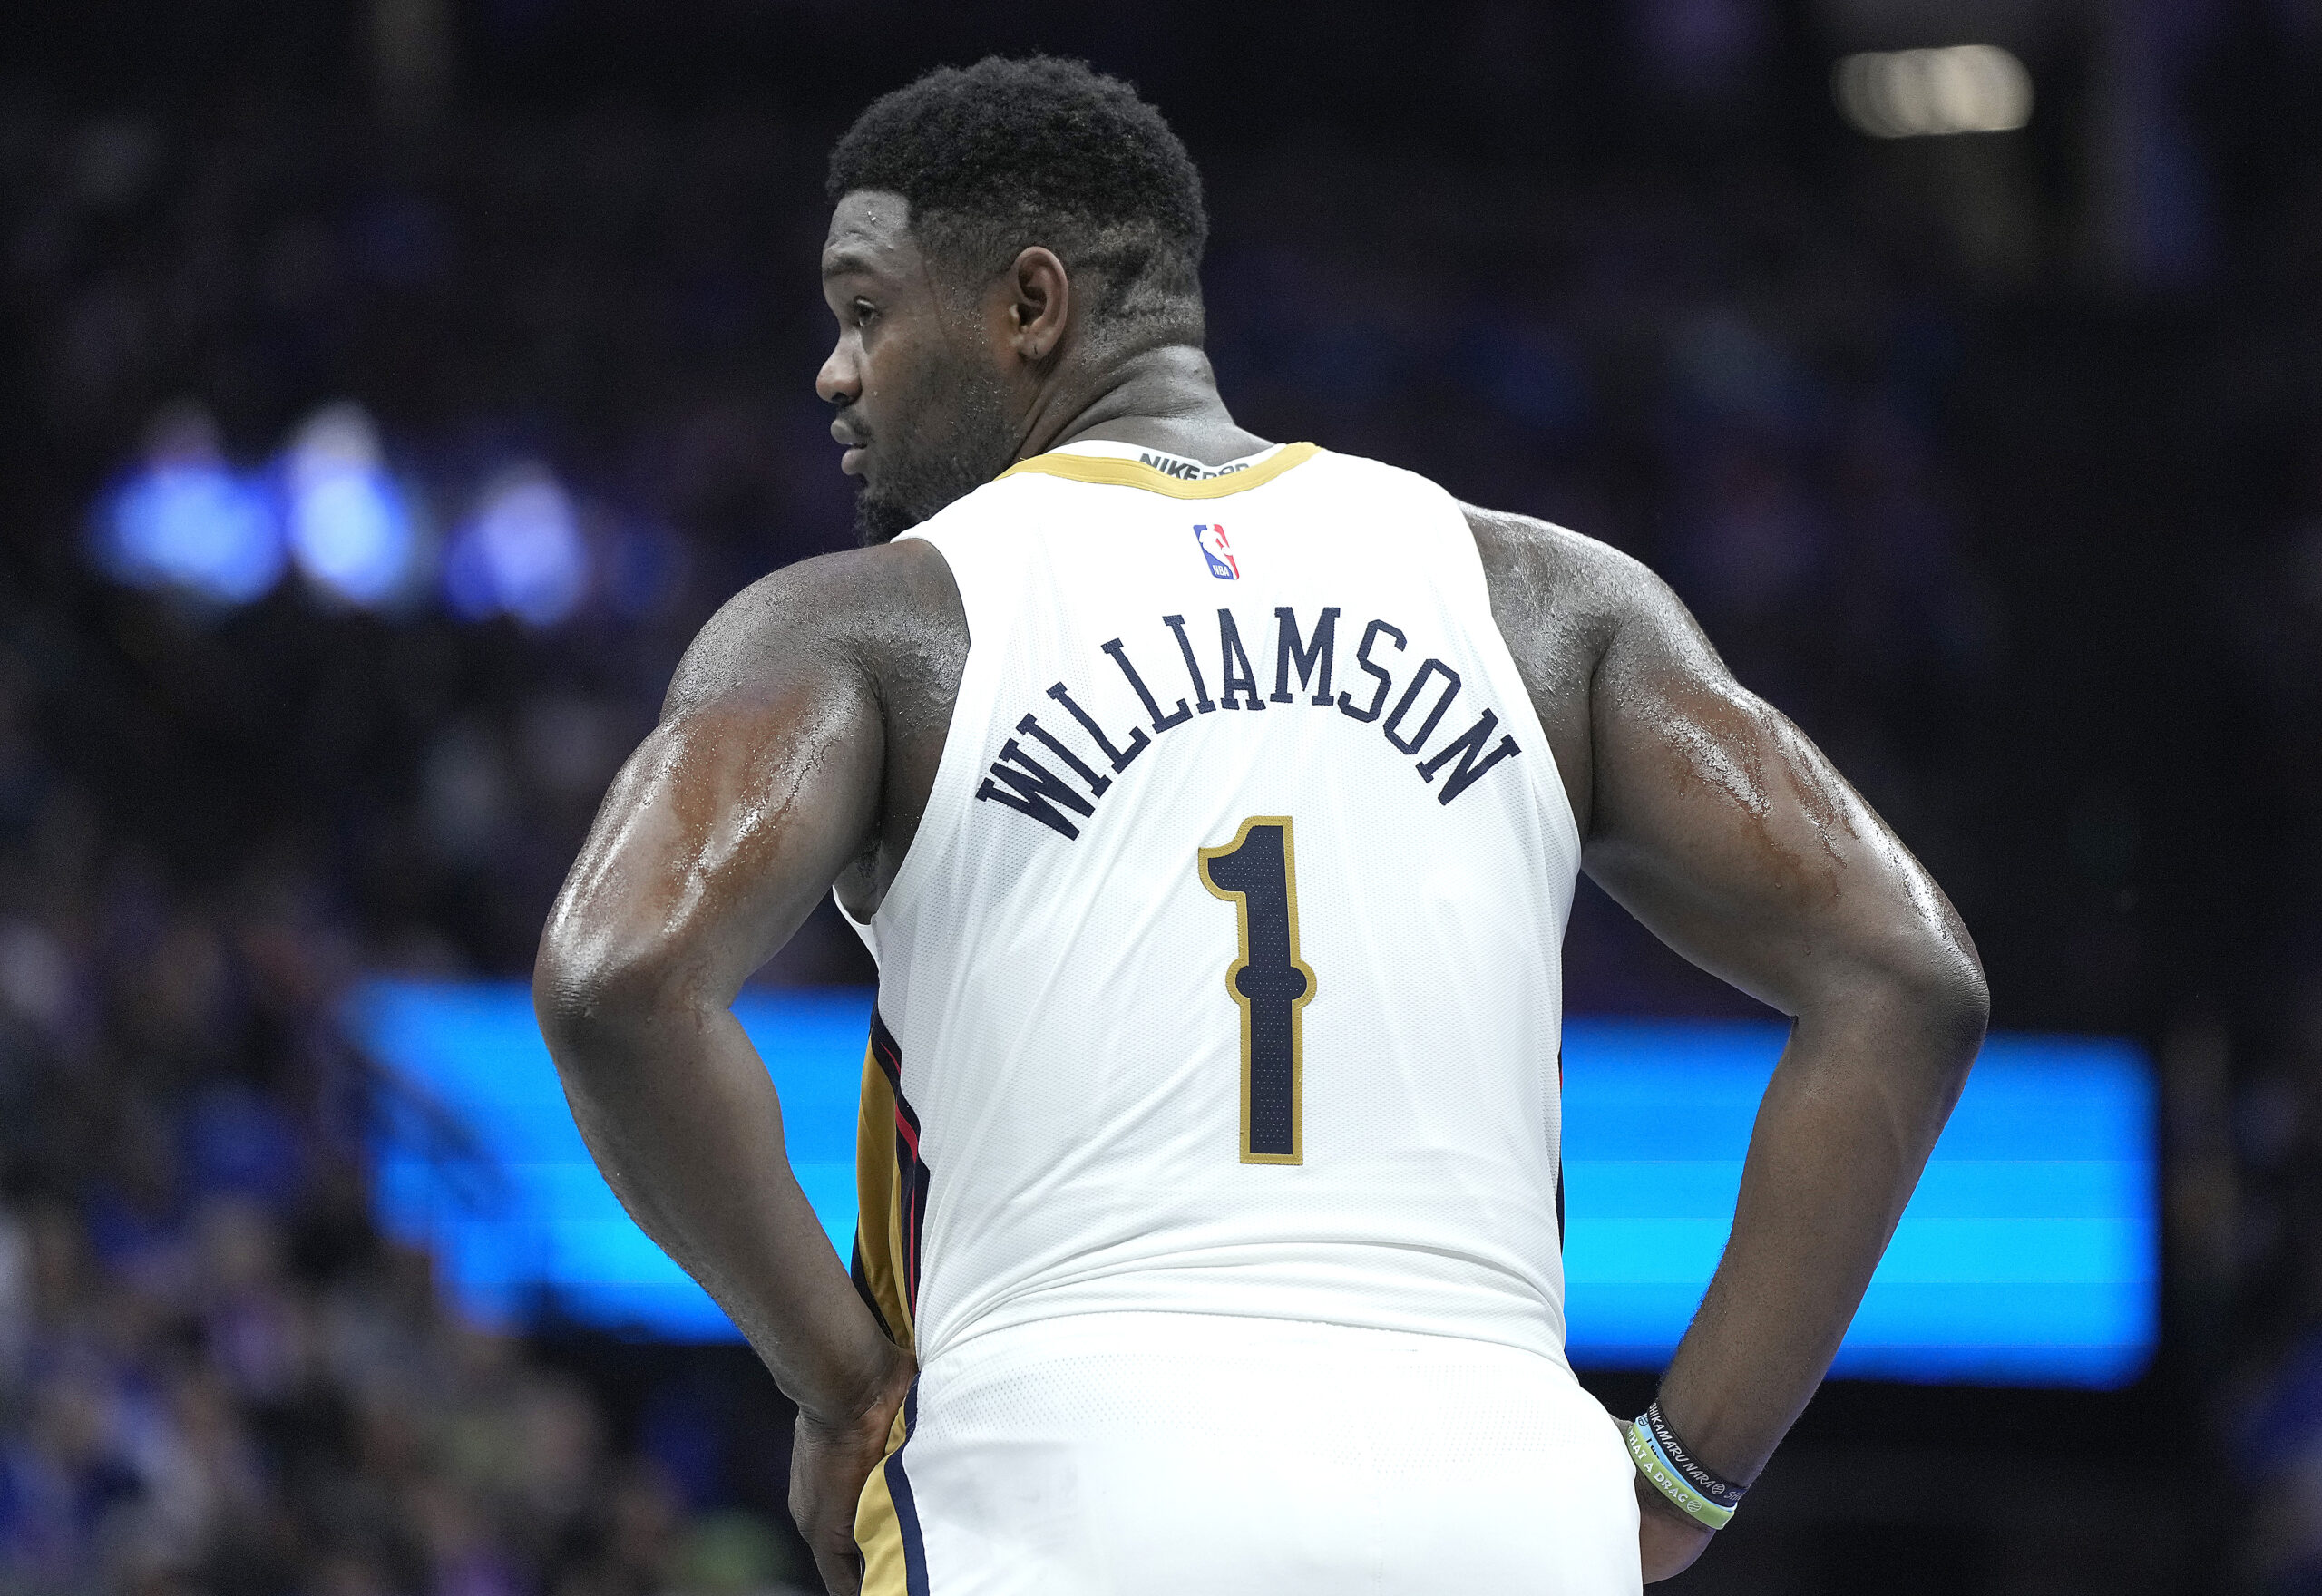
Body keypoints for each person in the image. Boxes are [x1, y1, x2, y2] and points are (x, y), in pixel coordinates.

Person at [532, 55, 1988, 1595]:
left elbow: (618, 976)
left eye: (865, 312)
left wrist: (837, 1380)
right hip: (1500, 1505)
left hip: (1063, 1490)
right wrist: (1688, 1470)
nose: (835, 372)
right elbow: (1907, 978)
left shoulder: (869, 624)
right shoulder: (1547, 603)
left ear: (1030, 306)